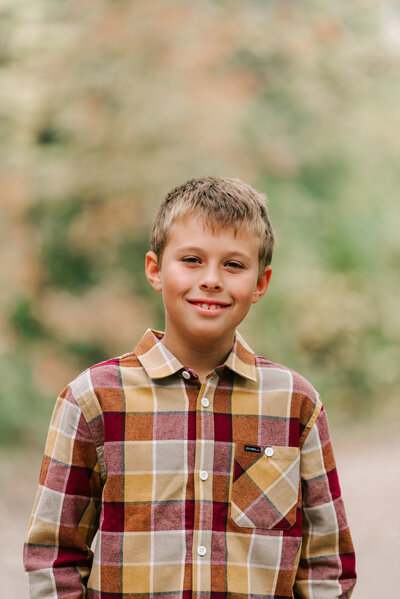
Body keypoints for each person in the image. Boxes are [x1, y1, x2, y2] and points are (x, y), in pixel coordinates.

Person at [24, 176, 356, 598]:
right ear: (155, 270)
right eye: (192, 260)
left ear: (260, 283)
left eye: (234, 265)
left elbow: (326, 565)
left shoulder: (295, 404)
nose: (212, 280)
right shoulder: (93, 400)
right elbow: (53, 558)